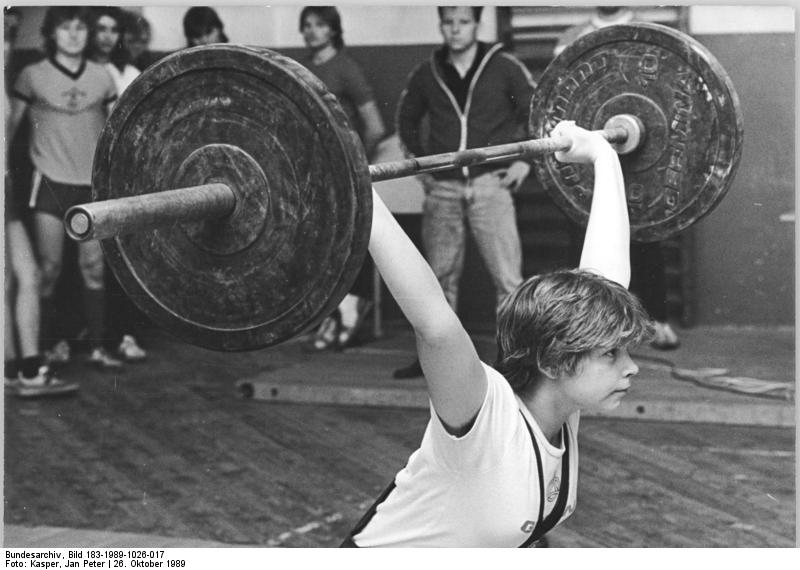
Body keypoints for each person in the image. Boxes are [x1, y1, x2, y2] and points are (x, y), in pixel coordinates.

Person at [341, 122, 651, 547]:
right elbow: (435, 323)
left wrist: (603, 157)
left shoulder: (561, 409)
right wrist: (361, 191)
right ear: (552, 361)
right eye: (613, 354)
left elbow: (608, 280)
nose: (631, 368)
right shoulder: (484, 417)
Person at [393, 6, 536, 378]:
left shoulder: (503, 65)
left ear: (477, 24)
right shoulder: (427, 73)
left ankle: (511, 360)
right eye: (448, 22)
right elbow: (405, 120)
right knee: (438, 278)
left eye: (463, 22)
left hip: (491, 185)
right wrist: (422, 168)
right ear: (441, 25)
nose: (455, 30)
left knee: (508, 279)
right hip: (444, 187)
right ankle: (437, 360)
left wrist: (525, 161)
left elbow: (536, 110)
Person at [553, 6, 679, 349]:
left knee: (646, 238)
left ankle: (657, 320)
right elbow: (560, 101)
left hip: (643, 158)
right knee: (582, 237)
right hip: (587, 163)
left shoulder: (648, 33)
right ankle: (585, 327)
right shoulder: (570, 38)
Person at [7, 6, 122, 369]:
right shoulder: (30, 76)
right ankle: (47, 345)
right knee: (48, 268)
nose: (73, 34)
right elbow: (8, 130)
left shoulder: (103, 76)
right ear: (51, 34)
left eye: (79, 28)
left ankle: (99, 348)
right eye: (65, 28)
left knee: (94, 267)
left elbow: (118, 132)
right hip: (49, 184)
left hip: (92, 188)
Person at [299, 6, 387, 350]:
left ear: (333, 30)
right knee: (322, 248)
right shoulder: (303, 70)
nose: (311, 31)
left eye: (319, 25)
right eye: (306, 26)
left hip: (344, 175)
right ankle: (333, 315)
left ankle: (351, 307)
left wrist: (351, 164)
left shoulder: (346, 68)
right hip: (311, 176)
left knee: (350, 240)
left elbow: (376, 126)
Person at [4, 7, 78, 398]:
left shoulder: (6, 80)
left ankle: (24, 369)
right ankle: (18, 369)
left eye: (9, 36)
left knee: (26, 277)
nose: (5, 44)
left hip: (7, 197)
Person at [88, 6, 148, 362]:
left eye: (114, 30)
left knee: (126, 257)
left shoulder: (131, 73)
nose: (108, 37)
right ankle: (98, 337)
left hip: (127, 176)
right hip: (90, 174)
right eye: (101, 29)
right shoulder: (89, 73)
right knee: (95, 262)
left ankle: (126, 334)